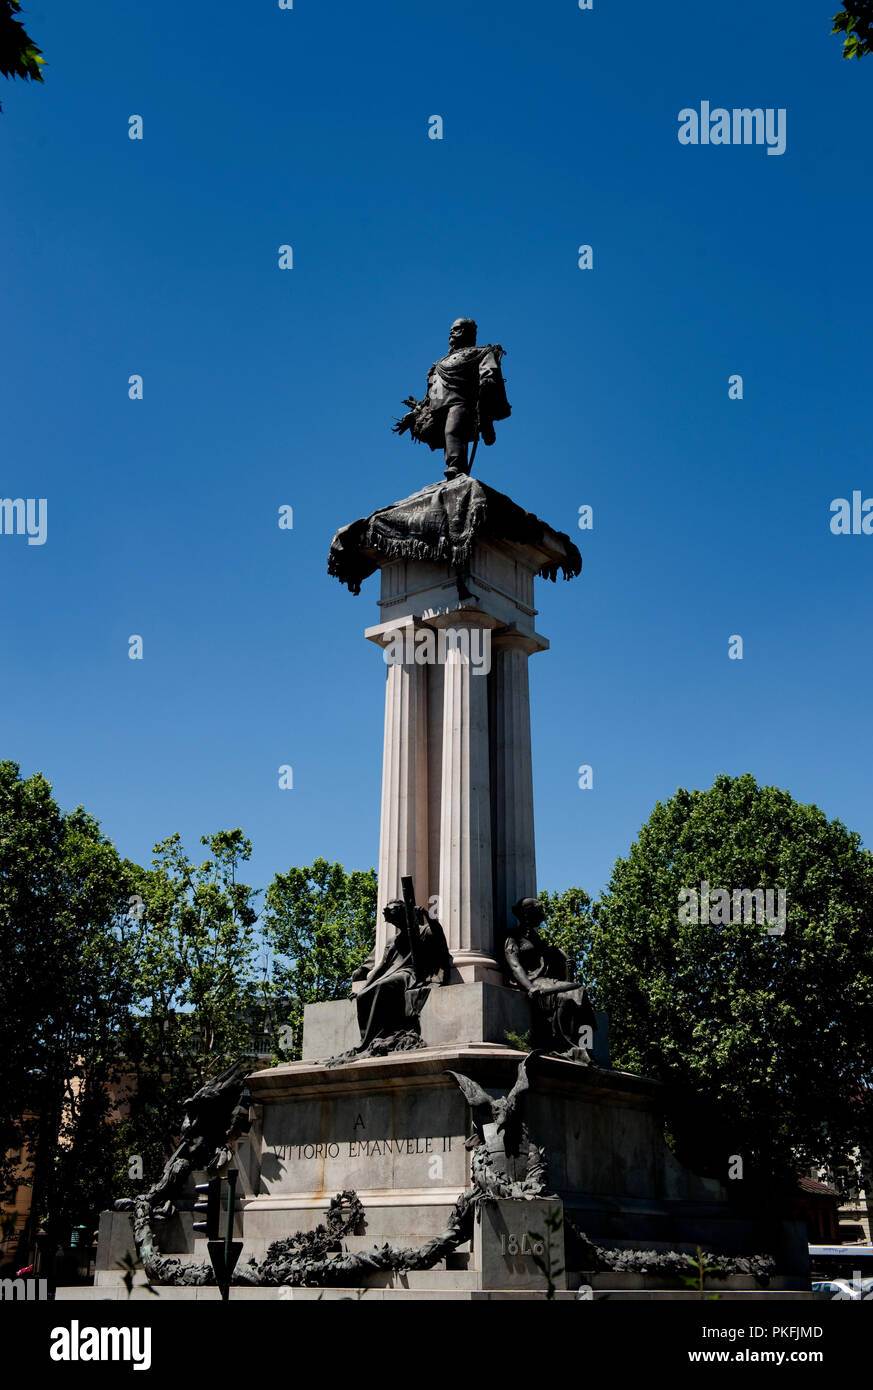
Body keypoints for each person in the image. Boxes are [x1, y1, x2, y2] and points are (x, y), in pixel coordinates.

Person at [392, 318, 511, 479]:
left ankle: (456, 466)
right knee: (447, 432)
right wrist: (415, 413)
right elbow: (431, 396)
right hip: (438, 407)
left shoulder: (481, 352)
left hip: (462, 402)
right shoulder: (438, 364)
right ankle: (455, 467)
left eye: (457, 329)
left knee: (453, 430)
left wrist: (486, 389)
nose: (452, 332)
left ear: (468, 332)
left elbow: (489, 375)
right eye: (452, 329)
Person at [503, 897, 597, 1061]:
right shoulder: (513, 938)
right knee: (568, 996)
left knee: (579, 991)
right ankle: (565, 1045)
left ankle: (584, 1045)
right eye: (539, 911)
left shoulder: (538, 939)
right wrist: (529, 987)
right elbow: (515, 966)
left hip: (547, 981)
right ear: (526, 915)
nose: (543, 916)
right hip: (535, 982)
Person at [355, 899, 451, 1050]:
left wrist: (427, 914)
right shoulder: (392, 940)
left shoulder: (423, 931)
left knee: (383, 986)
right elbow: (381, 968)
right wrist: (363, 988)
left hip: (410, 974)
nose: (395, 923)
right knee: (363, 997)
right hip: (393, 973)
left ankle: (379, 1034)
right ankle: (367, 1039)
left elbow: (439, 936)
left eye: (397, 917)